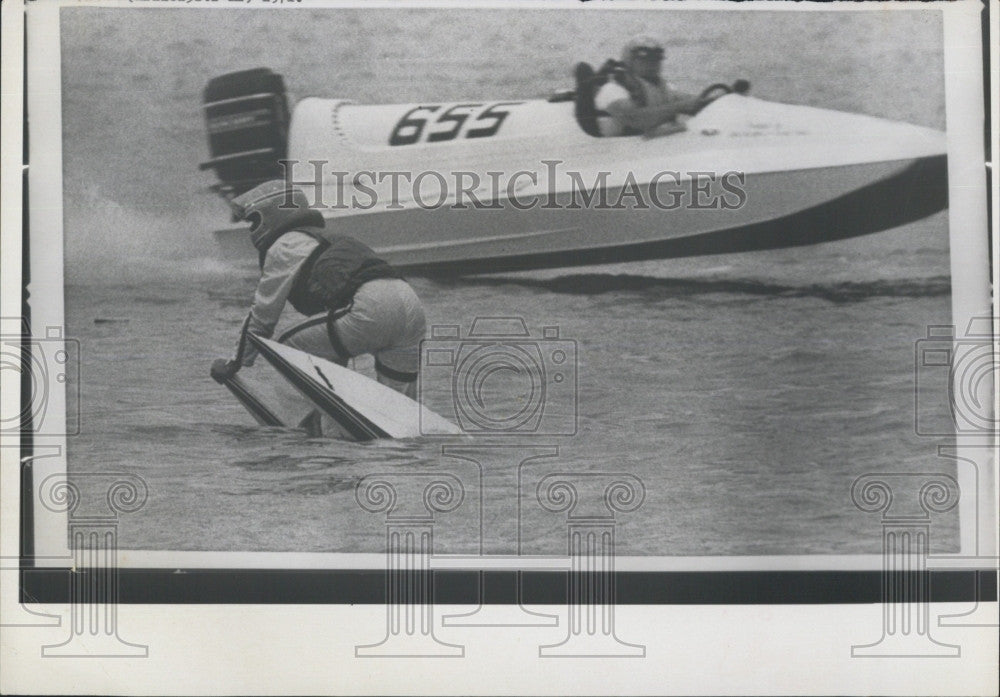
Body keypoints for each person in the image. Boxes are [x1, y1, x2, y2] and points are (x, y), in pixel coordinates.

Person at [210, 180, 426, 399]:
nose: (251, 229)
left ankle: (308, 421)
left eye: (253, 221)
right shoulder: (328, 237)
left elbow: (263, 316)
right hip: (411, 306)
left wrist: (236, 362)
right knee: (398, 402)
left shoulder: (284, 245)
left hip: (373, 308)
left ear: (271, 215)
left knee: (288, 346)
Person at [594, 35, 706, 137]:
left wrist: (713, 101)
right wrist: (680, 106)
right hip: (621, 153)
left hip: (655, 148)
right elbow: (637, 119)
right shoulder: (612, 90)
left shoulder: (665, 88)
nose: (652, 65)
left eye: (656, 60)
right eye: (645, 61)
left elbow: (693, 102)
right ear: (630, 62)